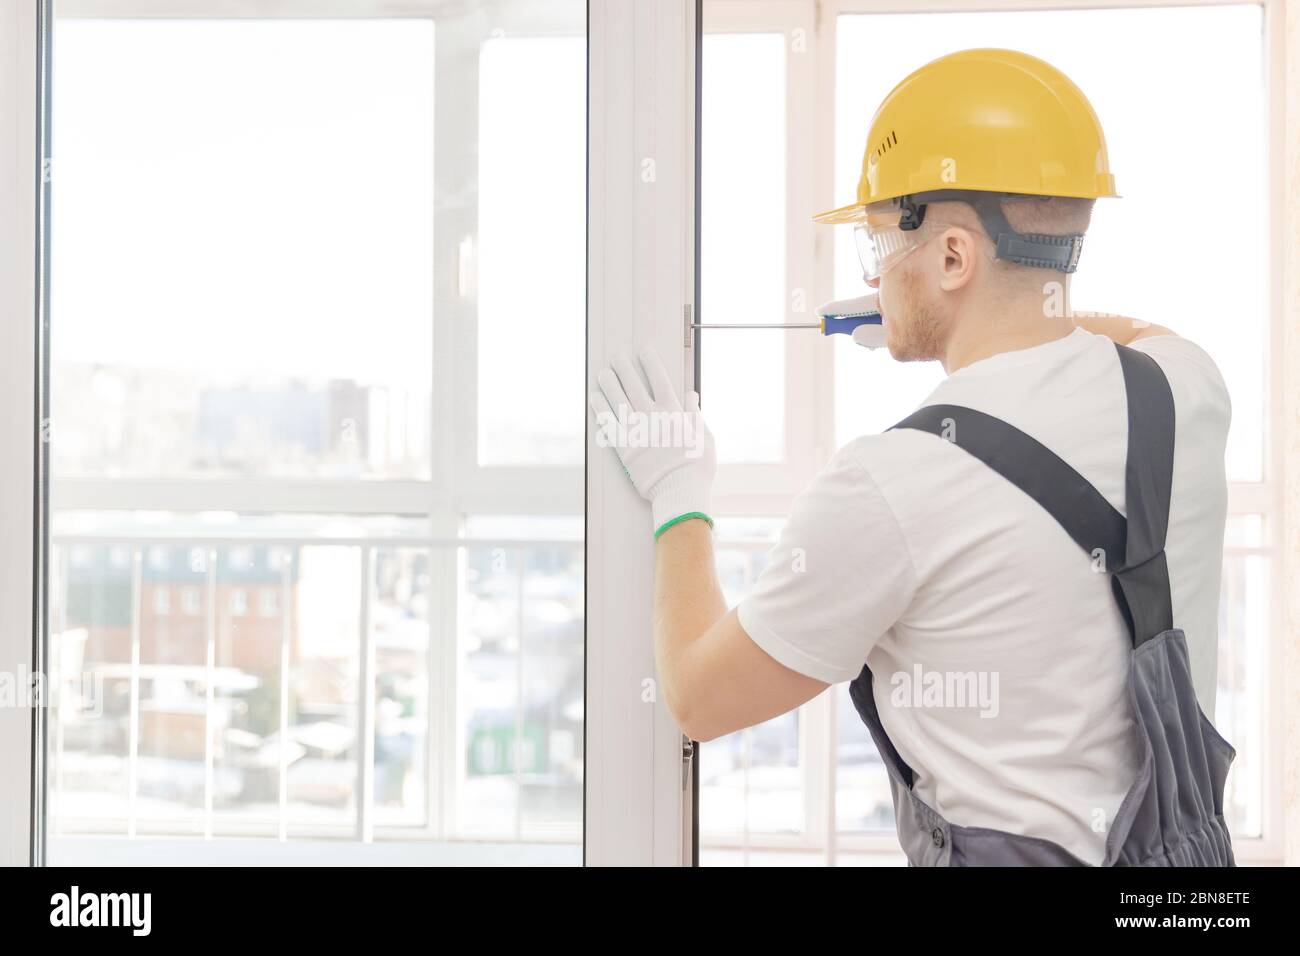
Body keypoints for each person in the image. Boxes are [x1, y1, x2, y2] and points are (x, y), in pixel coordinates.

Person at [590, 48, 1234, 866]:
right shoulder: (1187, 387)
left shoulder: (891, 482)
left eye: (878, 246)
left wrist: (679, 492)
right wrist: (933, 304)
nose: (875, 269)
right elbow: (1133, 331)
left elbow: (696, 695)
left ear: (956, 256)